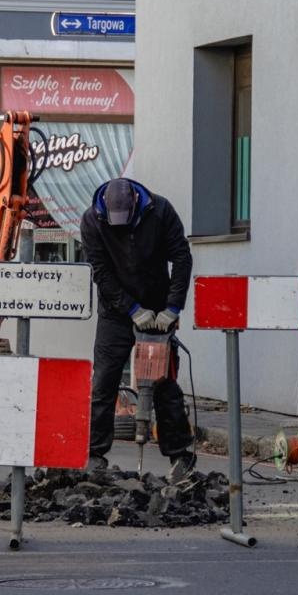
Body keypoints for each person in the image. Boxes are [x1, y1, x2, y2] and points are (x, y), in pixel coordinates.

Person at [79, 177, 197, 482]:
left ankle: (180, 455)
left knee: (163, 383)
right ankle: (94, 455)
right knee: (104, 382)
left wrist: (172, 308)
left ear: (135, 202)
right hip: (115, 313)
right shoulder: (92, 221)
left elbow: (181, 258)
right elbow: (100, 272)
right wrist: (131, 309)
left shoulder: (161, 211)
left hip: (157, 312)